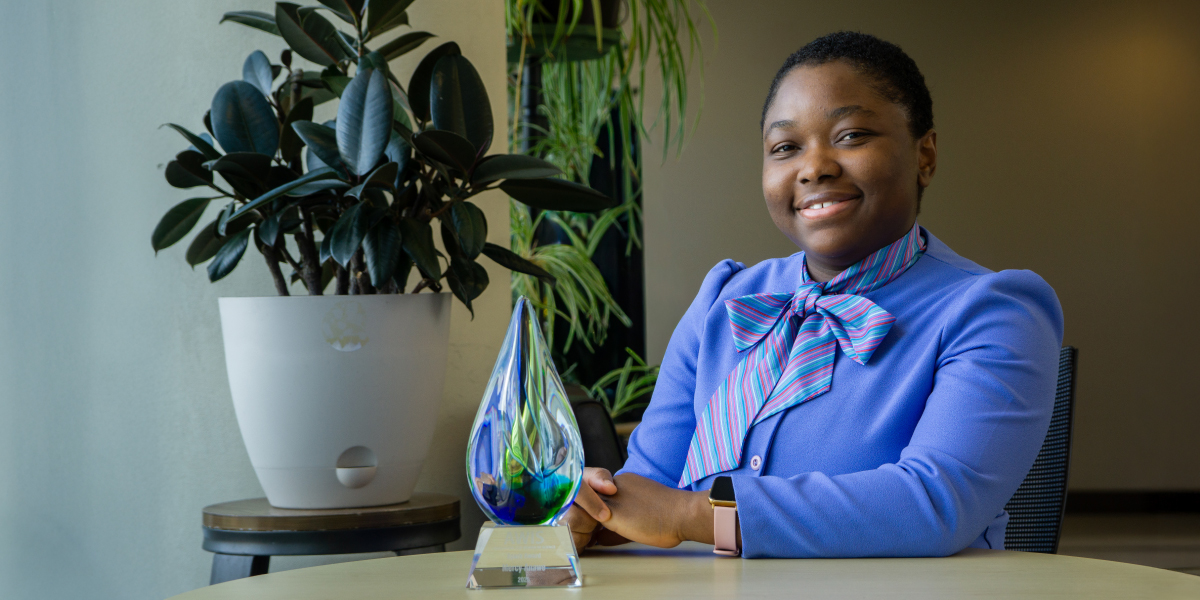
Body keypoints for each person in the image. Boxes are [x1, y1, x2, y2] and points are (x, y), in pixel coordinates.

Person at [562, 31, 1064, 558]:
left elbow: (935, 504)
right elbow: (649, 484)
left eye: (851, 136)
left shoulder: (997, 311)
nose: (815, 166)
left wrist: (694, 515)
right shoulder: (723, 300)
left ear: (926, 155)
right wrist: (601, 513)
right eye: (785, 147)